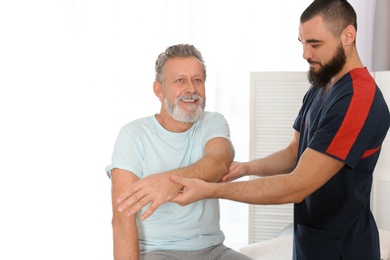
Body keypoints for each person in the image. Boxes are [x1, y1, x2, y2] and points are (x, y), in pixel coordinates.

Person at [117, 1, 390, 259]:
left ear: (348, 35)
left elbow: (297, 187)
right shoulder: (321, 88)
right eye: (303, 43)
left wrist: (209, 190)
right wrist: (246, 168)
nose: (305, 54)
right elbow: (294, 153)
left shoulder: (358, 98)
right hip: (310, 237)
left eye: (315, 44)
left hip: (344, 246)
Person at [106, 44, 251, 260]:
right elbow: (122, 218)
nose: (191, 89)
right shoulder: (132, 135)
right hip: (156, 251)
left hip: (213, 250)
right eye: (180, 80)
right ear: (159, 90)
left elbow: (219, 162)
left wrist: (168, 182)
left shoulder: (213, 122)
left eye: (197, 80)